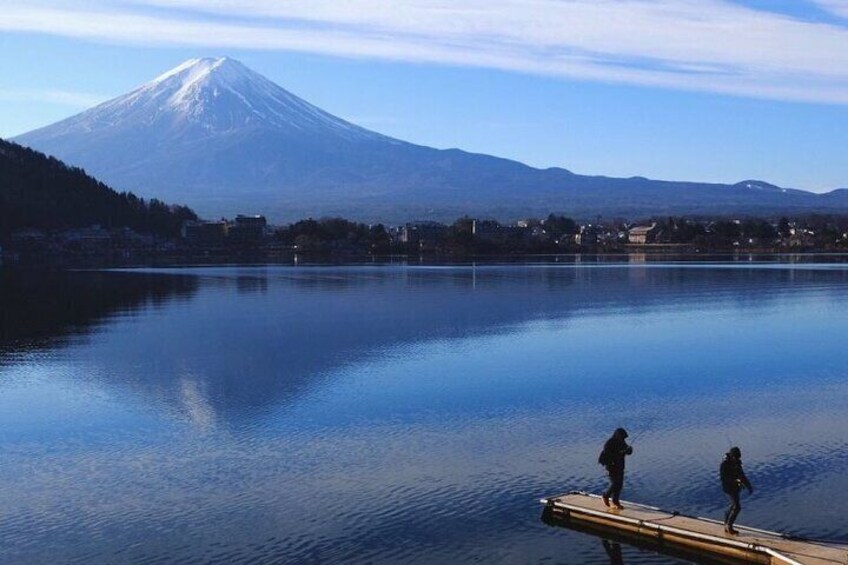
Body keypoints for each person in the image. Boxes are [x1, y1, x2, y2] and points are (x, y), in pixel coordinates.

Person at [720, 446, 753, 535]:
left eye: (738, 458)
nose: (736, 459)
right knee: (737, 507)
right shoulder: (724, 464)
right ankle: (729, 526)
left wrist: (749, 486)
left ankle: (726, 523)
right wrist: (735, 480)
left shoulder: (737, 462)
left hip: (736, 488)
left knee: (733, 505)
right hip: (728, 488)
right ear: (731, 456)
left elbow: (742, 475)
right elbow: (724, 478)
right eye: (735, 457)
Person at [598, 427, 633, 509]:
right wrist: (620, 452)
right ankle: (605, 496)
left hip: (620, 466)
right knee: (615, 483)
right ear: (618, 435)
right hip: (611, 466)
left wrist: (629, 450)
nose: (623, 439)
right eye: (622, 437)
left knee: (619, 484)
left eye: (624, 438)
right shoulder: (609, 443)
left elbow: (628, 452)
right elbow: (608, 455)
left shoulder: (622, 442)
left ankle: (615, 501)